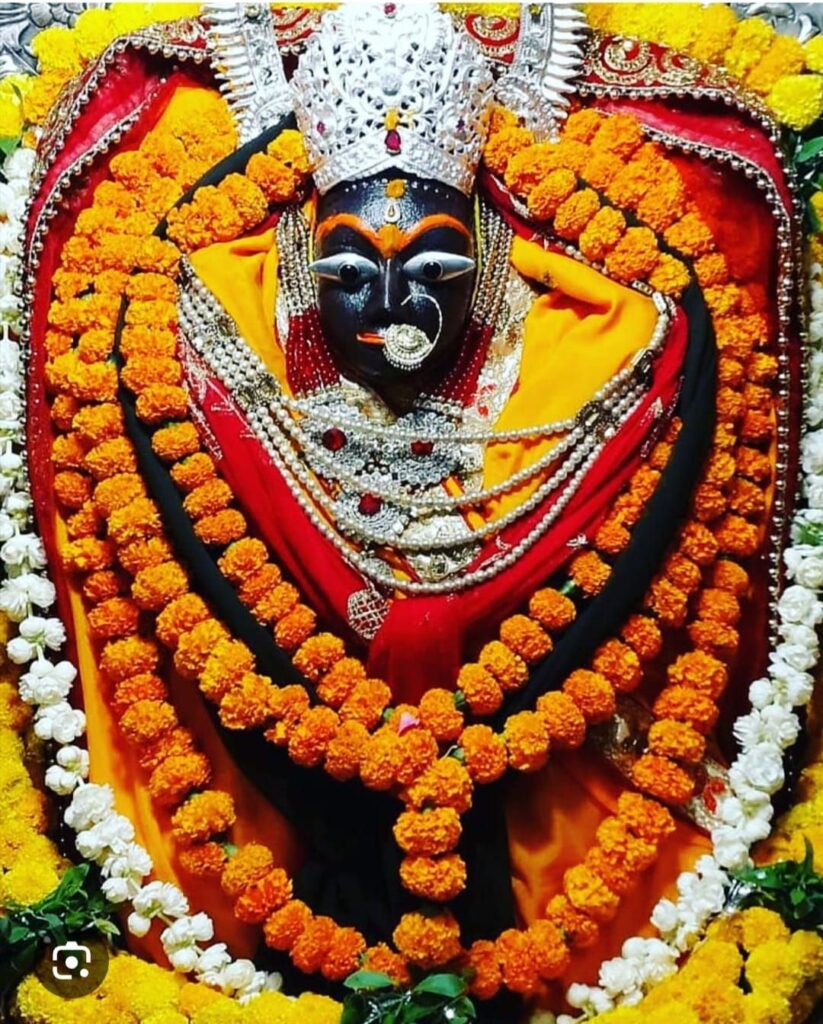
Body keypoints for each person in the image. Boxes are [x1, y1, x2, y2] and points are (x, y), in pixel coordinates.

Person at [24, 3, 798, 1017]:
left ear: (489, 253)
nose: (392, 306)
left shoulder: (603, 349)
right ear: (300, 254)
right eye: (348, 272)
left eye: (434, 270)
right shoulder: (201, 328)